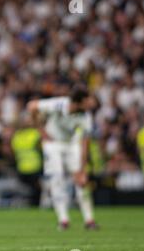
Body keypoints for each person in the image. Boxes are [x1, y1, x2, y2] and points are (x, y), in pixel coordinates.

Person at [27, 86, 99, 230]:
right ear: (80, 101)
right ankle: (63, 220)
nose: (91, 103)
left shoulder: (86, 116)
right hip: (53, 143)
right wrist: (42, 132)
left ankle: (89, 220)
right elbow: (32, 106)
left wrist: (82, 170)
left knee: (81, 182)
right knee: (57, 178)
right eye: (88, 100)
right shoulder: (59, 104)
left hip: (72, 143)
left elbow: (85, 143)